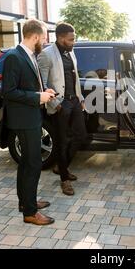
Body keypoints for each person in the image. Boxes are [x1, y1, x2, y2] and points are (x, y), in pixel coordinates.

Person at [2, 19, 56, 225]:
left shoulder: (29, 55)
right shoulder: (14, 57)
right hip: (24, 120)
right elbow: (9, 91)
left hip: (31, 117)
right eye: (43, 37)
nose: (44, 41)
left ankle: (26, 203)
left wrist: (44, 92)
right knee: (33, 164)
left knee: (27, 163)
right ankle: (30, 213)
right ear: (35, 36)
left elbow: (28, 85)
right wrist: (37, 97)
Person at [37, 22, 87, 196]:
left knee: (81, 135)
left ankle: (61, 167)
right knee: (61, 142)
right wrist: (55, 104)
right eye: (71, 39)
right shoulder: (46, 55)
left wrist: (80, 98)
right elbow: (42, 83)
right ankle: (64, 179)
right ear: (60, 38)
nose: (74, 42)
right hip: (60, 103)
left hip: (74, 102)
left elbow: (75, 77)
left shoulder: (70, 52)